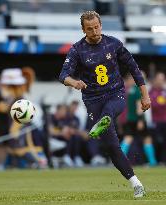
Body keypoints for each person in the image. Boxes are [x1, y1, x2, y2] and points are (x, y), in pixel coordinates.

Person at [59, 11, 150, 198]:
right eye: (89, 29)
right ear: (83, 30)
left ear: (101, 24)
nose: (94, 31)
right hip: (92, 100)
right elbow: (63, 75)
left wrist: (145, 96)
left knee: (109, 112)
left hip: (116, 93)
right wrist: (74, 82)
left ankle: (103, 121)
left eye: (96, 26)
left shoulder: (114, 44)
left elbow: (134, 68)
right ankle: (136, 183)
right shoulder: (77, 50)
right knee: (112, 148)